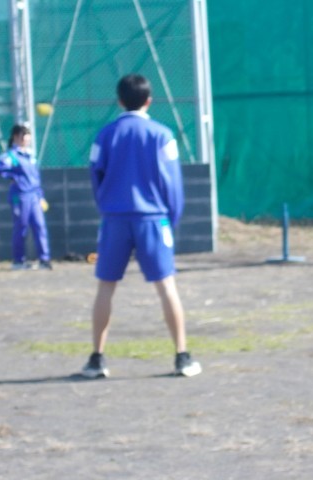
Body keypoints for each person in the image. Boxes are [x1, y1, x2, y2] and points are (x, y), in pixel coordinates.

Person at [82, 73, 201, 378]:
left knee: (105, 287)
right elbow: (173, 182)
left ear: (119, 100)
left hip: (114, 219)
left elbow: (95, 173)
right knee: (167, 287)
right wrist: (170, 218)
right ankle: (182, 357)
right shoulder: (163, 135)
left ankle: (96, 359)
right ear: (149, 101)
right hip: (153, 219)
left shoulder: (104, 135)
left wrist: (106, 206)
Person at [0, 125, 52, 270]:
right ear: (16, 137)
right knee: (21, 227)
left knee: (40, 226)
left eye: (28, 135)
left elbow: (35, 178)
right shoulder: (11, 156)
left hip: (34, 196)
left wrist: (40, 196)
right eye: (24, 135)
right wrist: (12, 176)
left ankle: (44, 260)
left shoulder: (30, 156)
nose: (28, 138)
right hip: (19, 196)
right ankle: (18, 261)